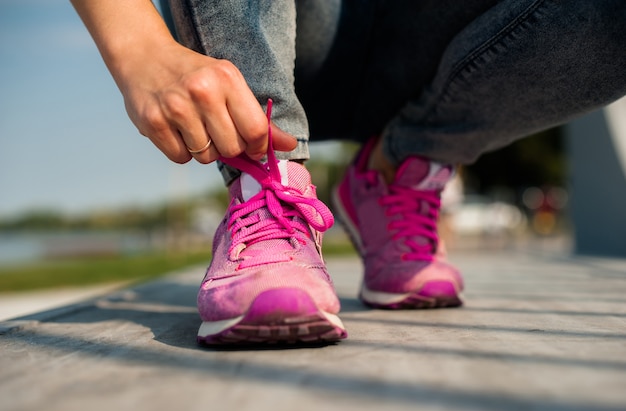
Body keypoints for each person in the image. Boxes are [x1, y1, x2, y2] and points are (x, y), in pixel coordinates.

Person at [70, 0, 626, 345]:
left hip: (437, 42)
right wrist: (138, 47)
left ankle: (397, 170)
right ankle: (267, 187)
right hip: (278, 26)